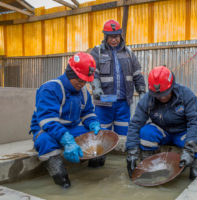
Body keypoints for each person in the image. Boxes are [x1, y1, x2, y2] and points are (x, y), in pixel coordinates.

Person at [30, 52, 105, 188]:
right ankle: (62, 182)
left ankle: (94, 178)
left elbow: (88, 113)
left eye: (85, 81)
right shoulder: (50, 89)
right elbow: (48, 121)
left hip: (71, 130)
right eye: (80, 80)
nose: (82, 84)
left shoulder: (83, 93)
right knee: (44, 142)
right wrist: (67, 140)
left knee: (100, 135)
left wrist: (93, 123)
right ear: (70, 74)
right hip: (47, 130)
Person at [126, 66, 197, 180]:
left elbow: (195, 122)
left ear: (172, 86)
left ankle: (196, 177)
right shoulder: (147, 99)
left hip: (182, 132)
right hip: (162, 131)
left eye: (165, 93)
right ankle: (149, 168)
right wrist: (131, 152)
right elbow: (135, 124)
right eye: (158, 95)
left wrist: (189, 150)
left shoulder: (186, 95)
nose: (162, 97)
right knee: (145, 133)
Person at [90, 19, 146, 138]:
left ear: (120, 35)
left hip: (123, 103)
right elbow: (93, 72)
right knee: (102, 135)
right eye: (110, 37)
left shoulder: (128, 52)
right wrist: (96, 88)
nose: (114, 40)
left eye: (116, 36)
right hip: (104, 102)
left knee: (123, 135)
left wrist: (142, 91)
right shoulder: (98, 51)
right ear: (105, 37)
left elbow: (137, 73)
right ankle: (101, 157)